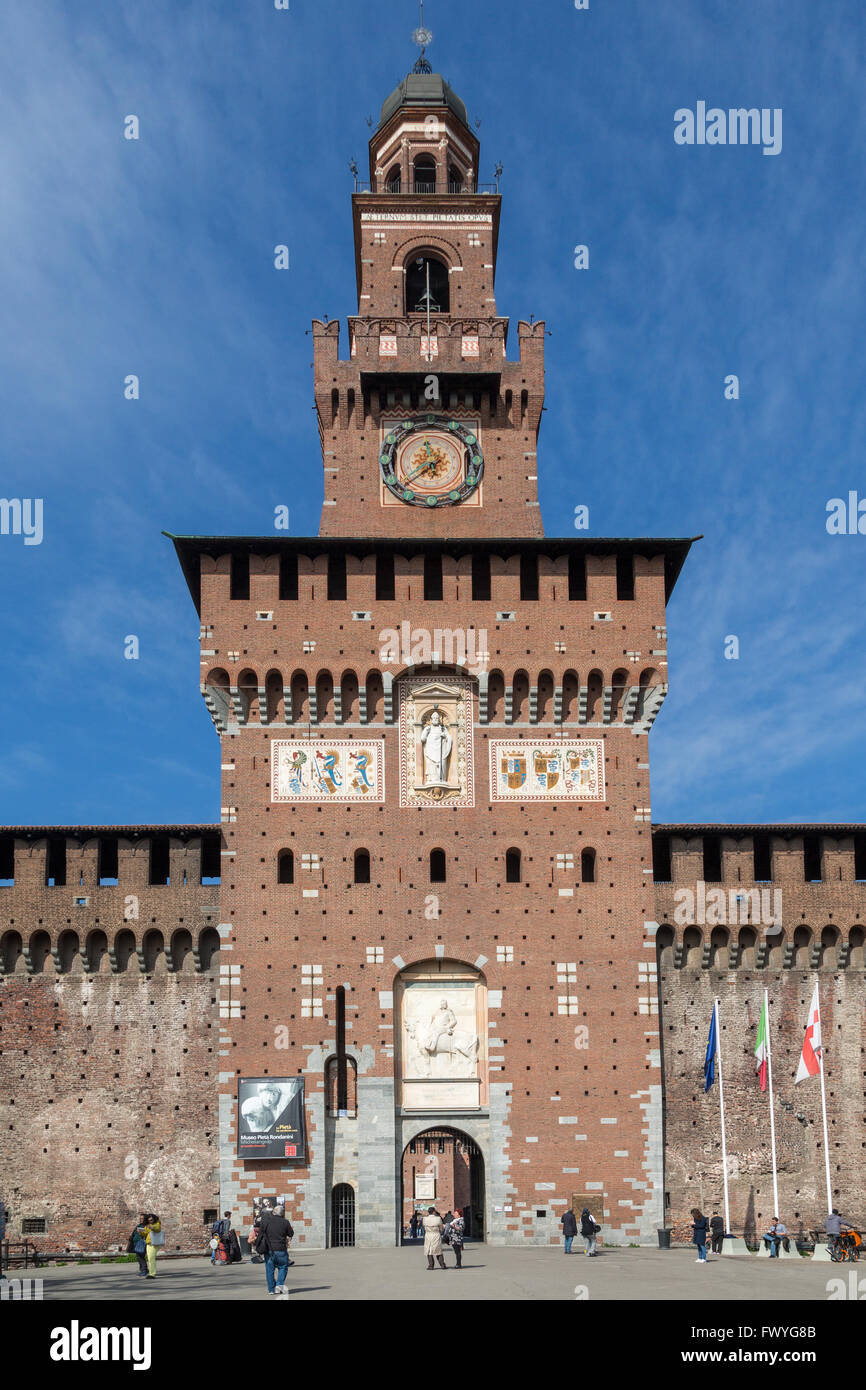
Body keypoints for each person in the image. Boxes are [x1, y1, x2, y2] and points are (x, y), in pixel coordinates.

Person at [258, 1202, 293, 1296]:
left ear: (273, 1212)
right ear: (282, 1213)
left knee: (270, 1270)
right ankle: (279, 1286)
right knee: (283, 1268)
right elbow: (291, 1234)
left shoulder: (266, 1221)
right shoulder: (285, 1222)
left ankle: (271, 1289)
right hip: (281, 1249)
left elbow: (260, 1233)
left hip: (269, 1249)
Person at [136, 1213, 162, 1279]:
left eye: (151, 1220)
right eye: (149, 1220)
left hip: (154, 1244)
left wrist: (152, 1227)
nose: (150, 1221)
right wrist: (140, 1232)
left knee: (151, 1258)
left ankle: (152, 1274)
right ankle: (151, 1272)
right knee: (150, 1258)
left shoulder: (157, 1223)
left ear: (154, 1219)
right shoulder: (148, 1225)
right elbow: (145, 1233)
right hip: (149, 1243)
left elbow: (157, 1229)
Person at [422, 1206, 447, 1270]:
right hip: (436, 1234)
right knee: (438, 1250)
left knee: (429, 1250)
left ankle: (431, 1265)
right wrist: (440, 1231)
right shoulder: (438, 1218)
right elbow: (441, 1228)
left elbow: (424, 1227)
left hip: (428, 1234)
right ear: (434, 1212)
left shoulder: (424, 1219)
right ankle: (442, 1265)